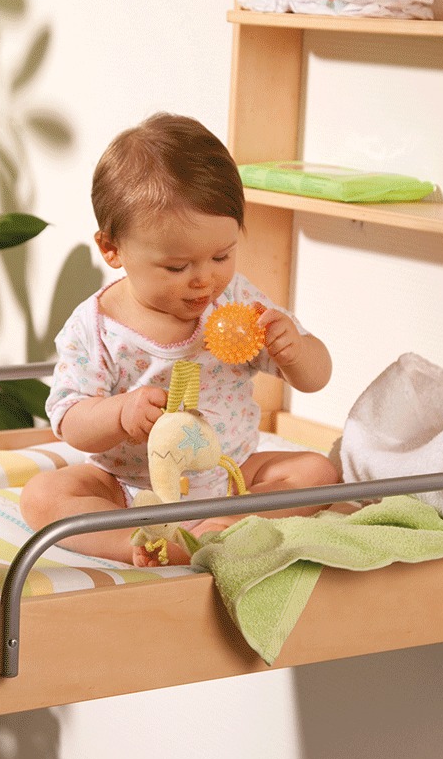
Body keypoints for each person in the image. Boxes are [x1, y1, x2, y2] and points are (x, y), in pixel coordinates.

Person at [19, 112, 339, 566]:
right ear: (112, 248)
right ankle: (133, 541)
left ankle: (226, 524)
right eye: (177, 267)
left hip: (231, 479)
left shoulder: (235, 302)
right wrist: (120, 413)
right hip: (127, 488)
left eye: (221, 256)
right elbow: (70, 421)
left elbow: (315, 378)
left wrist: (296, 351)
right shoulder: (95, 326)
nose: (204, 279)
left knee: (317, 471)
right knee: (43, 495)